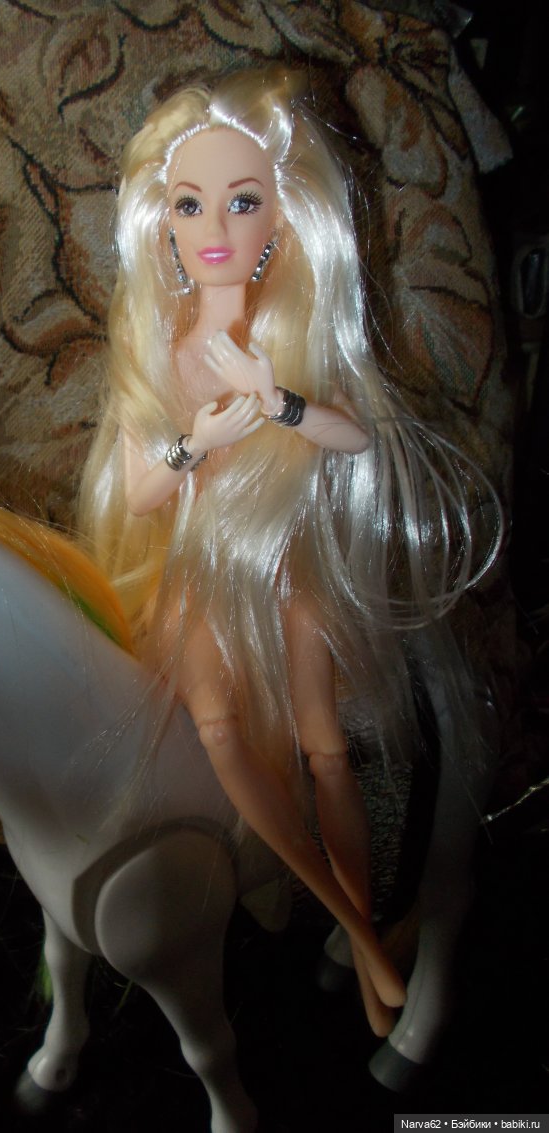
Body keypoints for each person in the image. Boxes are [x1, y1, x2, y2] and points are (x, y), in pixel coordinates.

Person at [78, 66, 495, 1036]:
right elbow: (141, 489)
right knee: (220, 733)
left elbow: (356, 438)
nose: (215, 226)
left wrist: (278, 403)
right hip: (199, 576)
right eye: (190, 203)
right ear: (161, 222)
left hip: (293, 565)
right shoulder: (156, 342)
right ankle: (360, 933)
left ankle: (363, 933)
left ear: (281, 216)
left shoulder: (293, 330)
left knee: (326, 748)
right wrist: (198, 442)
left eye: (243, 199)